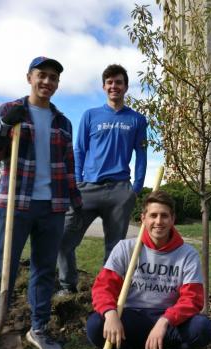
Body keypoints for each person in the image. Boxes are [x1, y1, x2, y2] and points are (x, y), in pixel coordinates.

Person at [0, 56, 82, 349]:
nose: (47, 82)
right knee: (2, 270)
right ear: (30, 77)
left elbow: (68, 166)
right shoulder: (10, 111)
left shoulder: (62, 122)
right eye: (42, 75)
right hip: (17, 203)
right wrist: (2, 128)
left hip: (52, 206)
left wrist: (75, 198)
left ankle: (38, 329)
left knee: (44, 271)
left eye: (53, 78)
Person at [86, 191, 211, 349]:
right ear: (143, 218)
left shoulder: (187, 254)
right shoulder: (125, 248)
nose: (159, 221)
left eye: (164, 215)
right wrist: (110, 313)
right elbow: (103, 287)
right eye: (153, 215)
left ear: (173, 219)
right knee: (96, 325)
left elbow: (193, 299)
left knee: (202, 327)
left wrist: (164, 321)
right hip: (130, 318)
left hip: (169, 322)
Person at [57, 64, 148, 295]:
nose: (114, 86)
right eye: (109, 82)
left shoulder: (137, 120)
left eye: (118, 82)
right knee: (64, 240)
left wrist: (135, 188)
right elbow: (79, 150)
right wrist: (77, 183)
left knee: (115, 249)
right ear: (103, 86)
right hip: (87, 188)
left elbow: (142, 154)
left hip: (119, 190)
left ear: (126, 87)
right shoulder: (90, 116)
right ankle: (67, 286)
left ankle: (106, 294)